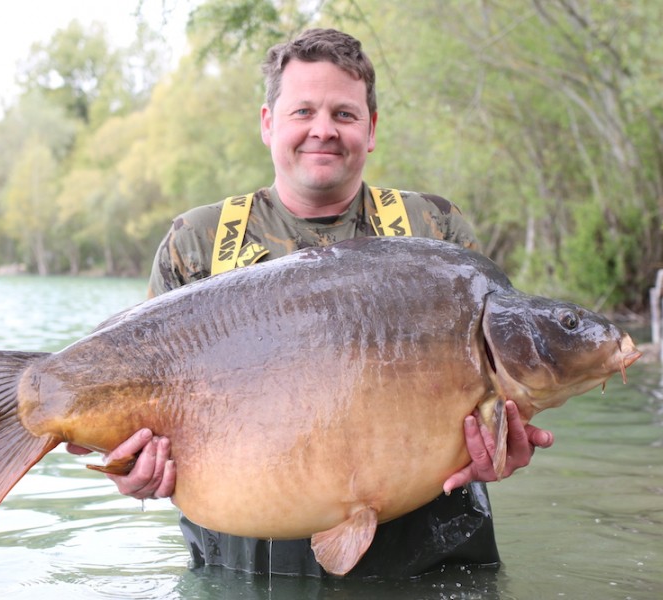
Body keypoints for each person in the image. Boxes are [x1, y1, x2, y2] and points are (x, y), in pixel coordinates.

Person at [70, 28, 553, 578]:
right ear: (267, 122)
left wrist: (502, 444)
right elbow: (144, 410)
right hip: (247, 561)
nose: (323, 130)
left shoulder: (434, 229)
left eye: (344, 115)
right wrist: (133, 473)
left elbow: (497, 395)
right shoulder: (197, 242)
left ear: (370, 131)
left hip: (429, 557)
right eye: (303, 111)